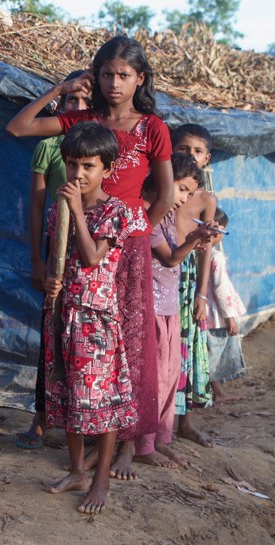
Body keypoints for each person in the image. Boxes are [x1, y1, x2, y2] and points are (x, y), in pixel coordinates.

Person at [7, 36, 174, 479]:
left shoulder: (152, 127)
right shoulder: (83, 120)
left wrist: (134, 232)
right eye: (106, 74)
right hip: (78, 246)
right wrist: (59, 91)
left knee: (129, 346)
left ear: (140, 78)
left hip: (126, 246)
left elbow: (166, 193)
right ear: (94, 76)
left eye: (124, 75)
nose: (114, 83)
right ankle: (85, 444)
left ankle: (125, 444)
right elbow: (18, 128)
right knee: (80, 343)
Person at [42, 122, 135, 514]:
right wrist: (50, 281)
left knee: (99, 399)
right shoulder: (56, 210)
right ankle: (77, 469)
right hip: (63, 315)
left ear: (107, 169)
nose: (78, 174)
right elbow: (57, 257)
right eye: (71, 164)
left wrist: (78, 211)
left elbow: (93, 256)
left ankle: (100, 482)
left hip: (96, 321)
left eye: (88, 166)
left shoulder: (116, 211)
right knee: (66, 394)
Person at [19, 70, 92, 450]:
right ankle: (42, 415)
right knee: (52, 325)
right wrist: (37, 259)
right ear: (61, 106)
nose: (77, 107)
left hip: (94, 245)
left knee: (89, 332)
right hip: (58, 246)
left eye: (84, 101)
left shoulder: (102, 146)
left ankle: (88, 418)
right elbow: (36, 206)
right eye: (70, 101)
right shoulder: (48, 147)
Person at [134, 153, 216, 469]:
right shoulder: (147, 215)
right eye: (182, 189)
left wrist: (200, 238)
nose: (184, 199)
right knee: (152, 379)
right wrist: (195, 238)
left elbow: (178, 251)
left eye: (189, 193)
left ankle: (161, 439)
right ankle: (143, 445)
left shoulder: (166, 215)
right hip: (150, 309)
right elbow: (170, 258)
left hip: (168, 308)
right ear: (164, 182)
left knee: (169, 376)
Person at [171, 124, 217, 446]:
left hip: (187, 281)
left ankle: (184, 422)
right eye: (183, 149)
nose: (190, 155)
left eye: (197, 151)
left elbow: (207, 249)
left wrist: (202, 293)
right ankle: (155, 421)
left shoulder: (206, 199)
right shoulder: (162, 186)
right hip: (163, 268)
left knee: (188, 345)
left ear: (207, 158)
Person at [204, 208, 247, 403]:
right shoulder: (216, 257)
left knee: (209, 353)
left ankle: (216, 390)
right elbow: (221, 288)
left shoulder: (196, 252)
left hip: (206, 313)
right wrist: (230, 317)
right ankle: (217, 392)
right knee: (215, 356)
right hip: (218, 316)